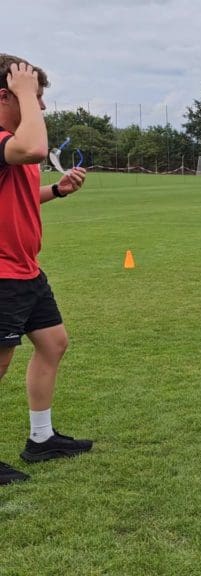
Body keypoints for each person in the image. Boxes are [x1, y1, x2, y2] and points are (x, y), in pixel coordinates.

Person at [0, 54, 92, 486]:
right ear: (7, 95)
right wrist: (24, 92)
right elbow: (35, 146)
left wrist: (56, 189)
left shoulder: (9, 145)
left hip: (25, 271)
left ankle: (41, 439)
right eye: (37, 98)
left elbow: (20, 197)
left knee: (53, 344)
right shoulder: (5, 139)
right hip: (2, 275)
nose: (42, 107)